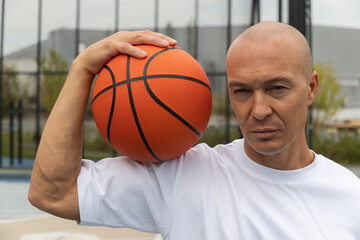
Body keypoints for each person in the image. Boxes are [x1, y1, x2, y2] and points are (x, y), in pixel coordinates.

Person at [28, 21, 360, 239]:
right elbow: (52, 192)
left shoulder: (349, 197)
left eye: (277, 88)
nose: (258, 111)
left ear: (311, 88)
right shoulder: (181, 176)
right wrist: (83, 69)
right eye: (242, 91)